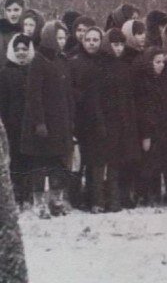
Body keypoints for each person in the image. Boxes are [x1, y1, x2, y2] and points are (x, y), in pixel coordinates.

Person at [21, 20, 74, 218]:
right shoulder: (39, 61)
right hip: (43, 125)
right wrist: (39, 122)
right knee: (39, 164)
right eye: (58, 38)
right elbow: (34, 96)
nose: (61, 42)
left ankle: (56, 200)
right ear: (50, 37)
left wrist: (71, 118)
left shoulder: (62, 60)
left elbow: (67, 93)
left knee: (57, 163)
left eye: (63, 38)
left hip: (61, 123)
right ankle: (39, 203)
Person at [99, 29, 141, 210]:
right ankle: (113, 198)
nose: (118, 49)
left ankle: (126, 196)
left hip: (127, 117)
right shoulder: (101, 65)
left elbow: (132, 93)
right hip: (110, 118)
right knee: (113, 161)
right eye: (115, 45)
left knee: (128, 158)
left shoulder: (126, 64)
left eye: (121, 45)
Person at [134, 46, 167, 206]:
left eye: (162, 62)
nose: (161, 65)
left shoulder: (166, 80)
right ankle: (149, 195)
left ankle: (166, 195)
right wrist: (145, 135)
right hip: (151, 131)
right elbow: (142, 111)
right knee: (150, 165)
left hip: (165, 129)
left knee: (166, 163)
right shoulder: (143, 83)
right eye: (156, 62)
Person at [69, 27, 107, 213]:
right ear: (83, 41)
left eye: (95, 39)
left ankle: (96, 200)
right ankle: (75, 199)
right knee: (78, 162)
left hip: (100, 120)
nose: (92, 43)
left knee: (97, 161)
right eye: (88, 39)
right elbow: (70, 91)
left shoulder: (104, 62)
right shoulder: (74, 62)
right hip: (80, 119)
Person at [0, 34, 35, 207]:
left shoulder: (34, 70)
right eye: (17, 49)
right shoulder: (6, 72)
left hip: (31, 123)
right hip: (13, 124)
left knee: (30, 158)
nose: (21, 53)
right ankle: (16, 195)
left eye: (24, 49)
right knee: (14, 159)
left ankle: (28, 194)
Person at [0, 0, 25, 65]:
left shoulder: (29, 29)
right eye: (9, 10)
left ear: (23, 10)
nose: (12, 14)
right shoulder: (2, 30)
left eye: (16, 10)